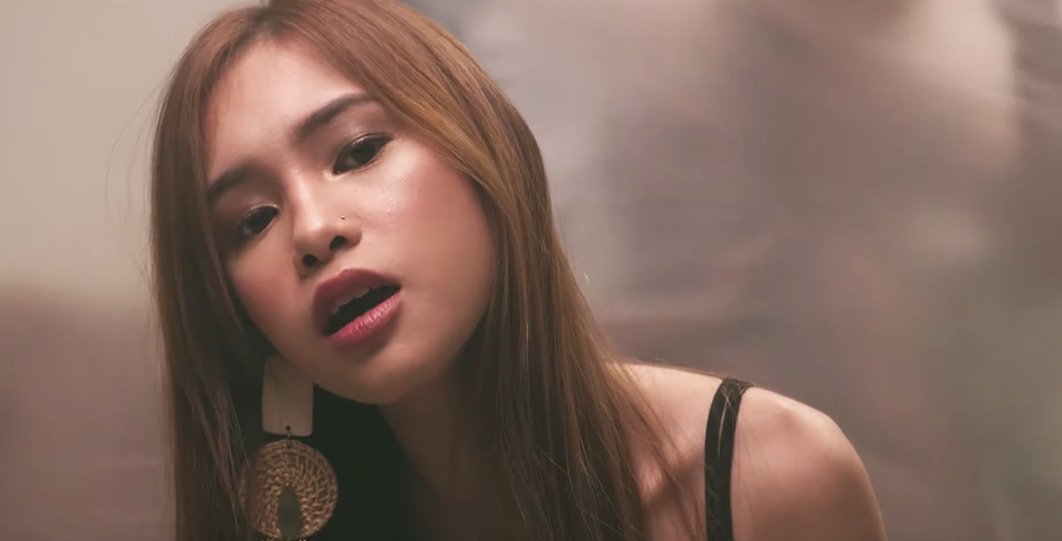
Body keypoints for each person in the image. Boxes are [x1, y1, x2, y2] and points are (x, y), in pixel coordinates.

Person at [150, 0, 887, 539]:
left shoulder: (771, 477)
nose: (312, 230)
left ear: (485, 153)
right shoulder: (281, 524)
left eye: (358, 151)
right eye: (252, 220)